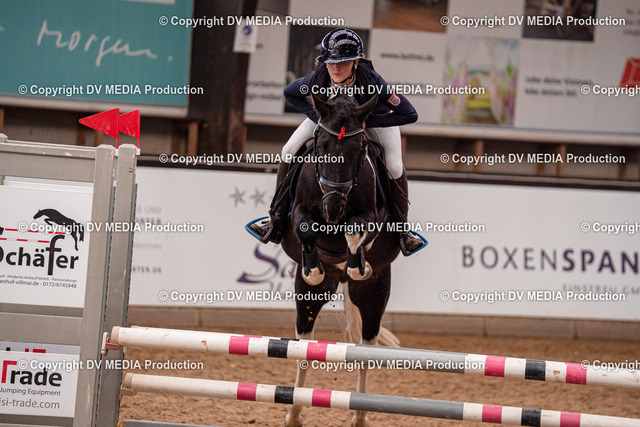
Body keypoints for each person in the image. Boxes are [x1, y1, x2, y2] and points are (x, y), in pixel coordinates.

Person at [249, 28, 423, 256]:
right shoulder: (318, 78)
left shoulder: (373, 81)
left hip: (373, 121)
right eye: (330, 63)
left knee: (394, 166)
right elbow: (290, 93)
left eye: (343, 63)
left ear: (356, 62)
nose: (335, 69)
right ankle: (276, 220)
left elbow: (409, 113)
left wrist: (364, 121)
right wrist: (320, 119)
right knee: (288, 150)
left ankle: (402, 232)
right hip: (330, 122)